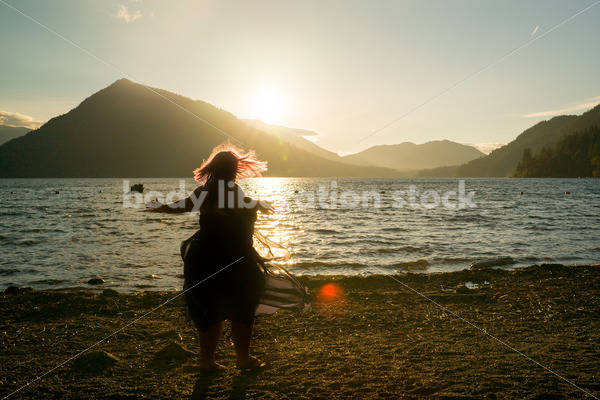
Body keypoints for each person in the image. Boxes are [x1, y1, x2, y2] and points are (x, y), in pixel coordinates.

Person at [147, 144, 273, 370]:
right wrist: (260, 204)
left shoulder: (203, 193)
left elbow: (180, 207)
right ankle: (242, 359)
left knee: (209, 309)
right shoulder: (233, 192)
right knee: (242, 309)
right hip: (236, 259)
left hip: (205, 259)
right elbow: (240, 206)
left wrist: (161, 207)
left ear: (213, 168)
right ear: (234, 170)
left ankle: (207, 361)